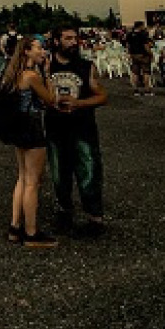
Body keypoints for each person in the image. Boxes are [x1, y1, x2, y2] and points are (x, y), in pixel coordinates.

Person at [44, 26, 110, 236]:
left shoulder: (86, 66)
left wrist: (79, 103)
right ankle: (64, 211)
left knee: (89, 171)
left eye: (75, 38)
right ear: (56, 41)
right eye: (68, 38)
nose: (74, 42)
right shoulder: (46, 66)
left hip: (83, 128)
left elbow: (102, 96)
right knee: (59, 174)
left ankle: (94, 217)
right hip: (55, 128)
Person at [0, 37, 61, 247]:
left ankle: (15, 226)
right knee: (33, 181)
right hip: (32, 127)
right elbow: (50, 99)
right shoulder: (32, 76)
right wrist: (48, 74)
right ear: (27, 51)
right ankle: (31, 232)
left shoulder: (14, 75)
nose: (43, 51)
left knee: (23, 177)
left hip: (18, 127)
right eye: (38, 48)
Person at [126, 22, 154, 95]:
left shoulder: (129, 34)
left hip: (134, 55)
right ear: (140, 26)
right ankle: (147, 90)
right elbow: (146, 46)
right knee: (146, 72)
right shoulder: (143, 34)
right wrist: (151, 54)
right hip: (143, 55)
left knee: (135, 73)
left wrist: (129, 54)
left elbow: (128, 45)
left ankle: (135, 90)